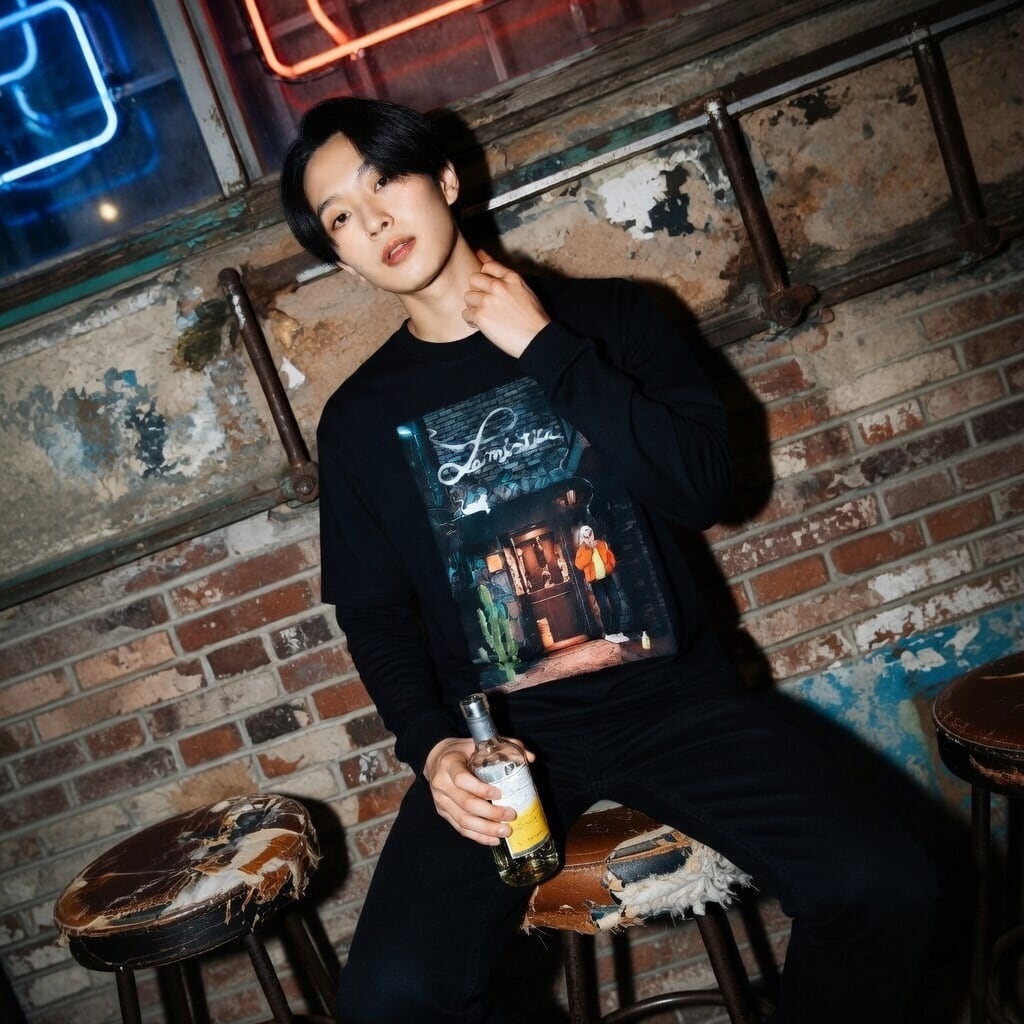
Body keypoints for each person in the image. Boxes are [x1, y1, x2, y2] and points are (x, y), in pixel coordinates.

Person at [279, 97, 936, 1024]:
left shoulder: (613, 319)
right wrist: (433, 749)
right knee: (390, 999)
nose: (376, 218)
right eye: (342, 215)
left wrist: (546, 349)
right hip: (501, 747)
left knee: (886, 885)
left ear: (448, 180)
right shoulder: (356, 423)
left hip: (680, 705)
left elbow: (707, 489)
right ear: (340, 256)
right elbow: (375, 615)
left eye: (385, 181)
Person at [573, 523, 627, 642]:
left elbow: (610, 557)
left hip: (607, 578)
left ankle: (616, 630)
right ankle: (608, 633)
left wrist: (610, 566)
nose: (589, 536)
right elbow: (580, 565)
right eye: (586, 535)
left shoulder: (601, 544)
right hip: (595, 582)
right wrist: (589, 549)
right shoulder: (581, 550)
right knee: (604, 606)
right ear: (582, 537)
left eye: (590, 533)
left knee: (616, 602)